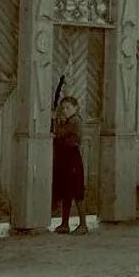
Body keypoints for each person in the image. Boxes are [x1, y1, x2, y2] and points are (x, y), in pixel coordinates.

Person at [52, 95, 88, 235]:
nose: (65, 110)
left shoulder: (75, 121)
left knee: (77, 192)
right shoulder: (67, 121)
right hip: (64, 159)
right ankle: (65, 224)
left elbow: (59, 133)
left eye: (68, 108)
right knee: (66, 192)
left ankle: (83, 225)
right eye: (63, 108)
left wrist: (55, 120)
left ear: (76, 108)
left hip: (72, 159)